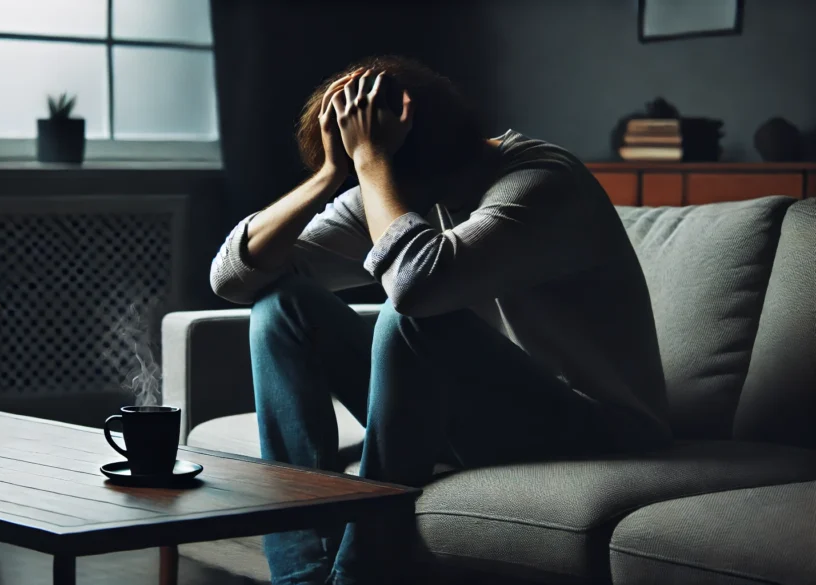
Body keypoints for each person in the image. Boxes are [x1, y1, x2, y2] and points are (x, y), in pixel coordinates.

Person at [208, 55, 672, 585]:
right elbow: (233, 280)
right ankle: (301, 576)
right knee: (280, 306)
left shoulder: (542, 183)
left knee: (407, 319)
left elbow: (417, 290)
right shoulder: (396, 184)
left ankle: (359, 575)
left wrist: (374, 165)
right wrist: (332, 173)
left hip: (597, 427)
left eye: (369, 163)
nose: (368, 188)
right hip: (471, 415)